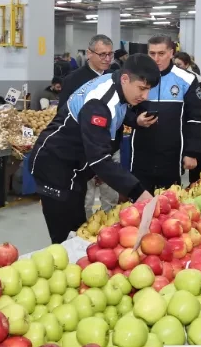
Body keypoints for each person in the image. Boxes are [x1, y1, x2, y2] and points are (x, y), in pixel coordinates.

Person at [29, 54, 160, 243]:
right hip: (55, 167)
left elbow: (115, 116)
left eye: (149, 90)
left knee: (78, 229)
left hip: (76, 167)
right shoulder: (99, 103)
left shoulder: (117, 86)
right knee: (65, 236)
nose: (145, 96)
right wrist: (137, 192)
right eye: (142, 88)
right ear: (125, 79)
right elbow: (99, 159)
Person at [128, 36, 201, 192]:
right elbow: (123, 110)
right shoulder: (135, 78)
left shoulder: (187, 79)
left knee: (169, 207)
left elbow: (195, 118)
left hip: (172, 155)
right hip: (141, 153)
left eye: (161, 53)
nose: (156, 59)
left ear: (171, 53)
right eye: (152, 53)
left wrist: (191, 152)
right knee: (139, 205)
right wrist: (135, 120)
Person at [56, 35, 115, 109]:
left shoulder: (114, 77)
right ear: (89, 53)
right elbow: (62, 113)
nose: (107, 59)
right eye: (102, 54)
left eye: (110, 54)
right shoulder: (72, 80)